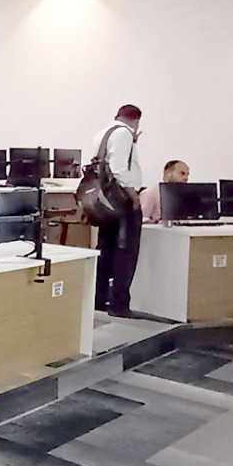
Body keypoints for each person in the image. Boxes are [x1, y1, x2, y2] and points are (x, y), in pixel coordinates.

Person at [90, 104, 143, 316]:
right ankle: (120, 304)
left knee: (105, 249)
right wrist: (134, 196)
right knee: (126, 252)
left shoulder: (102, 133)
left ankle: (99, 298)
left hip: (104, 201)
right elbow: (119, 169)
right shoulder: (124, 134)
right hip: (121, 200)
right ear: (136, 120)